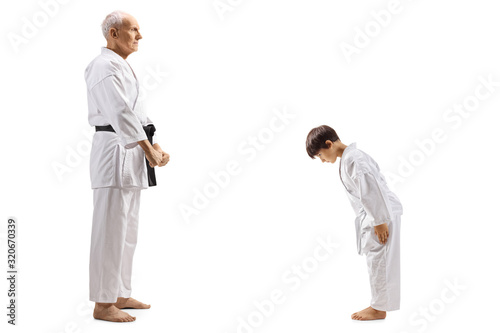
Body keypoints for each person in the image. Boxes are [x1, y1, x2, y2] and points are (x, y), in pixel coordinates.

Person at [84, 10, 170, 322]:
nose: (139, 36)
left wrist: (155, 144)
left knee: (127, 231)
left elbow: (139, 115)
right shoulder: (102, 66)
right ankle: (102, 303)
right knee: (109, 231)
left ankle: (119, 292)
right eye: (133, 29)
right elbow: (118, 113)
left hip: (131, 155)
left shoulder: (122, 67)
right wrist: (147, 149)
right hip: (113, 154)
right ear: (113, 34)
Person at [306, 125, 403, 321]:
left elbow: (371, 189)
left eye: (321, 155)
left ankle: (378, 308)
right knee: (377, 259)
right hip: (377, 214)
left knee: (380, 259)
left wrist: (379, 220)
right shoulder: (350, 159)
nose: (323, 161)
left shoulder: (354, 159)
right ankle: (379, 305)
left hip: (381, 215)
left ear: (329, 143)